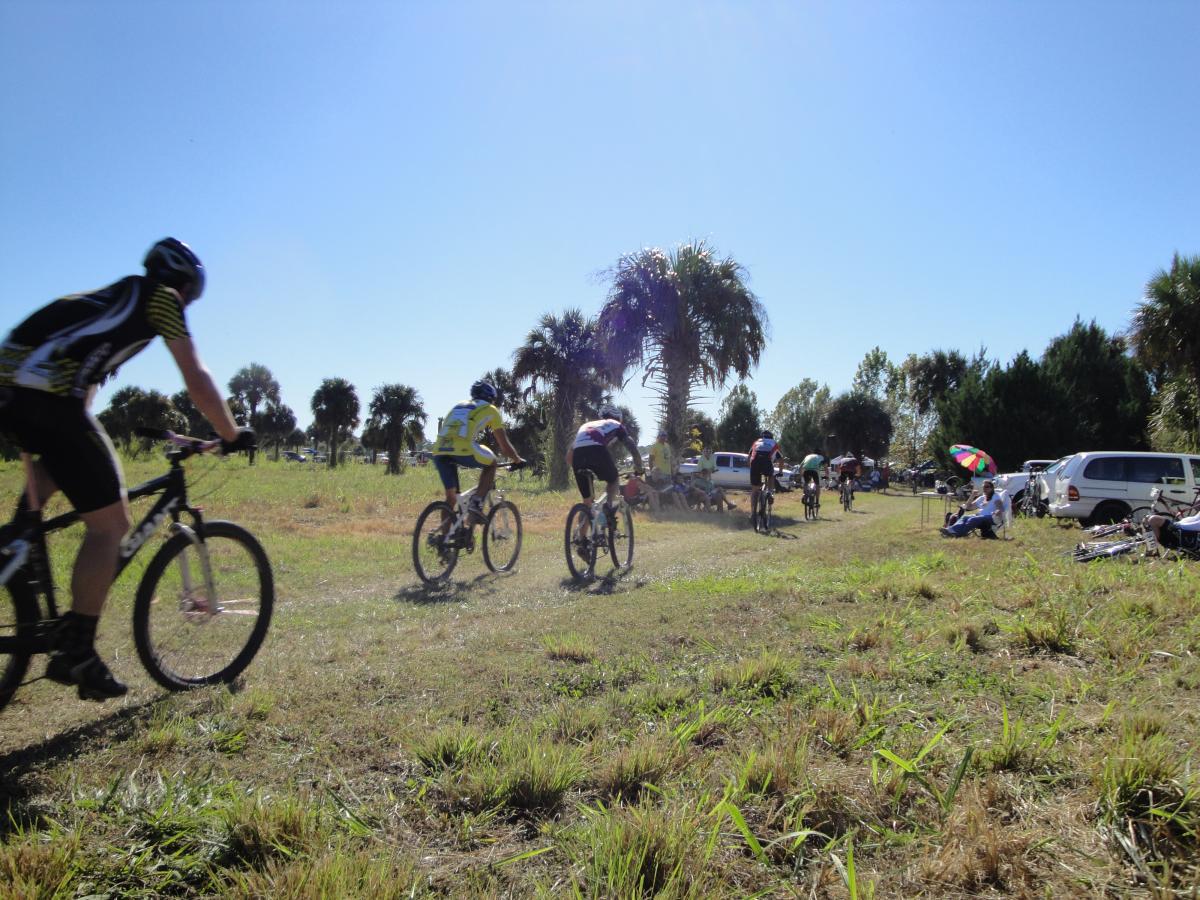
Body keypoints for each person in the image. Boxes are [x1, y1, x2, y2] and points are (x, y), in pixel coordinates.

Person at [0, 238, 253, 700]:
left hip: (15, 387)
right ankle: (77, 648)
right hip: (45, 393)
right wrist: (232, 434)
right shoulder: (159, 299)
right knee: (112, 524)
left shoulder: (117, 302)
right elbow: (195, 377)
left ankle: (17, 541)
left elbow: (86, 389)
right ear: (185, 285)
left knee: (63, 459)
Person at [432, 381, 525, 524]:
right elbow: (504, 446)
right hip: (463, 448)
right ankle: (475, 506)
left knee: (451, 500)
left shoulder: (458, 405)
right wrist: (517, 459)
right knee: (492, 463)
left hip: (439, 450)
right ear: (491, 398)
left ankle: (444, 541)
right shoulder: (490, 409)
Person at [566, 405, 644, 542]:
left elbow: (568, 457)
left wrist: (582, 470)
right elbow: (631, 445)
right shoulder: (617, 425)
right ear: (619, 418)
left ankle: (581, 540)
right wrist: (639, 467)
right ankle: (608, 508)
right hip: (596, 450)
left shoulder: (588, 425)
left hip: (578, 457)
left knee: (588, 503)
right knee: (613, 480)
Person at [941, 480, 1007, 538]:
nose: (984, 488)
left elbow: (1001, 508)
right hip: (980, 516)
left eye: (987, 487)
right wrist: (972, 496)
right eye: (983, 487)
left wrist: (997, 511)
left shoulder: (996, 497)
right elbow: (968, 507)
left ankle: (958, 533)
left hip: (991, 518)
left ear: (992, 488)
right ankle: (950, 530)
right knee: (965, 517)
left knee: (973, 519)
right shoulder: (982, 498)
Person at [748, 430, 783, 531]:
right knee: (771, 475)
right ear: (771, 437)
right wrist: (780, 472)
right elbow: (781, 459)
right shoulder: (773, 443)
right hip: (766, 462)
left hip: (754, 463)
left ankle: (752, 513)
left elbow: (749, 457)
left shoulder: (756, 443)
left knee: (754, 490)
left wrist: (752, 469)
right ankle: (770, 493)